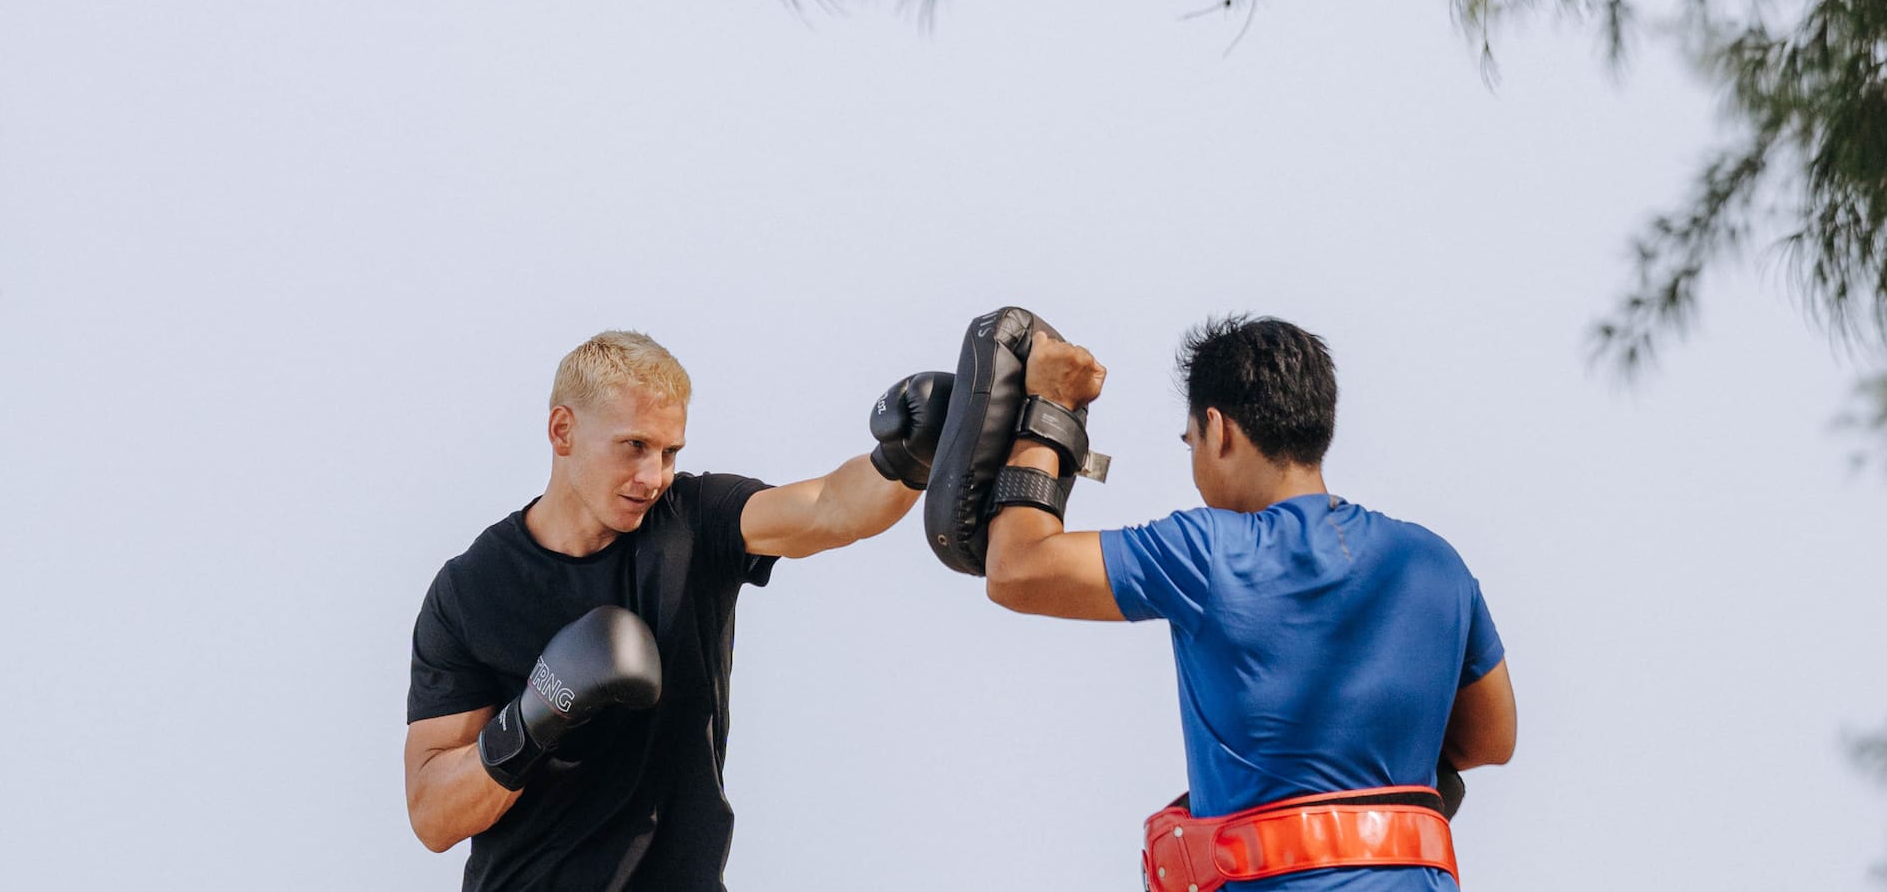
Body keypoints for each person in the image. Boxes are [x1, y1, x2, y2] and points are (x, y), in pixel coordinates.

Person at [982, 315, 1516, 891]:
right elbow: (1491, 739)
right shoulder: (1435, 564)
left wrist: (1050, 409)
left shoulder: (1207, 550)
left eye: (1191, 443)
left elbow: (1016, 568)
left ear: (1218, 430)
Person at [403, 330, 949, 891]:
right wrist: (538, 713)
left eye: (669, 452)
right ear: (562, 431)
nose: (653, 477)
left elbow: (832, 509)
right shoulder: (472, 588)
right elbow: (432, 815)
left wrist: (910, 455)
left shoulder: (691, 522)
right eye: (634, 446)